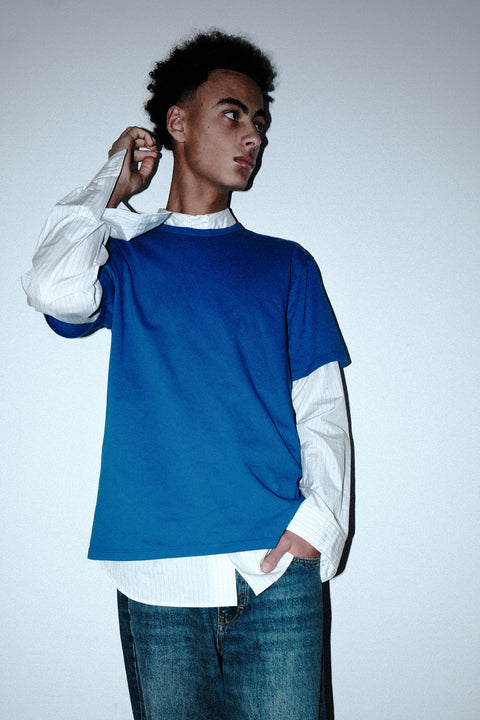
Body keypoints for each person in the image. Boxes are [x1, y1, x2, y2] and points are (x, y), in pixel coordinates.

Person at [22, 29, 351, 720]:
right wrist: (110, 184)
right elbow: (53, 289)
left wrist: (319, 527)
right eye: (233, 114)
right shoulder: (124, 255)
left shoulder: (286, 264)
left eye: (260, 122)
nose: (254, 136)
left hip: (274, 571)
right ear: (177, 122)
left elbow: (321, 404)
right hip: (154, 578)